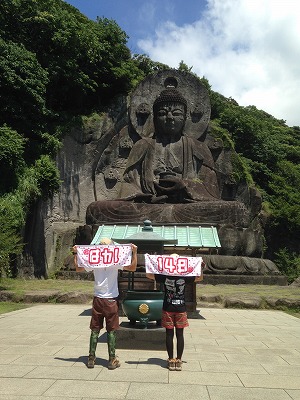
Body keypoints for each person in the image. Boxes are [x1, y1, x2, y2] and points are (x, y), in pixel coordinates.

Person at [73, 238, 137, 369]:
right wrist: (134, 253)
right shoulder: (115, 260)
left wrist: (75, 253)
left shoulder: (94, 259)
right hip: (111, 299)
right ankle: (112, 359)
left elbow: (78, 269)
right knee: (111, 330)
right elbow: (133, 267)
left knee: (95, 328)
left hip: (98, 298)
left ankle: (91, 357)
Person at [146, 254, 204, 371]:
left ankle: (171, 360)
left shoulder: (165, 276)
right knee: (180, 334)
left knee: (169, 334)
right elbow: (199, 278)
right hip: (181, 308)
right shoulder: (184, 276)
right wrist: (201, 268)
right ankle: (179, 360)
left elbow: (149, 275)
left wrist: (149, 263)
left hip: (168, 307)